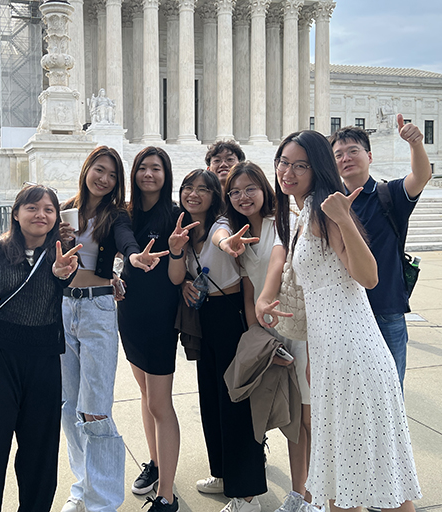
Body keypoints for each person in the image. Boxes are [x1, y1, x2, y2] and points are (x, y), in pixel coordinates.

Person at [261, 130, 421, 512]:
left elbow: (368, 278)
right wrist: (314, 357)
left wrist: (344, 219)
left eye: (300, 164)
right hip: (333, 354)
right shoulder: (304, 213)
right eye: (284, 162)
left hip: (354, 355)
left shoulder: (324, 211)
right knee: (346, 475)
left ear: (318, 168)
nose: (289, 171)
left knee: (377, 474)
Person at [59, 145, 168, 512]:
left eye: (112, 175)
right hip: (65, 307)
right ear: (87, 168)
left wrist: (135, 256)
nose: (104, 179)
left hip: (98, 308)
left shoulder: (116, 214)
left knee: (96, 408)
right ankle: (82, 489)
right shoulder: (65, 210)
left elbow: (126, 239)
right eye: (99, 170)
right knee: (70, 406)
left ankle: (103, 500)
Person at [0, 185, 81, 512]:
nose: (40, 215)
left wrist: (62, 275)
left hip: (44, 357)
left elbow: (62, 282)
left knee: (40, 452)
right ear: (16, 213)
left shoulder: (62, 253)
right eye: (32, 208)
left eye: (48, 209)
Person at [213, 161, 313, 512]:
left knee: (303, 417)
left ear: (264, 190)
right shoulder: (238, 233)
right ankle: (269, 494)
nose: (243, 197)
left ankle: (304, 496)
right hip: (268, 332)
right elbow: (247, 288)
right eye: (235, 191)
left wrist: (265, 305)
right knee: (273, 412)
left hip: (296, 329)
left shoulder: (279, 225)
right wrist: (257, 336)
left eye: (249, 189)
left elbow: (276, 262)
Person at [172, 169, 267, 512]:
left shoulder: (218, 226)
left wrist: (226, 243)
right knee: (211, 400)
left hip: (229, 317)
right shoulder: (185, 232)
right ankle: (223, 474)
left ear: (215, 196)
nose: (193, 194)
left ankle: (248, 495)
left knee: (236, 404)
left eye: (202, 189)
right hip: (205, 319)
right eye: (187, 188)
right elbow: (182, 274)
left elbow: (222, 237)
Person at [329, 116, 431, 387]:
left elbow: (421, 176)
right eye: (338, 154)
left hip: (386, 310)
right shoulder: (331, 204)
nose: (346, 158)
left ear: (369, 156)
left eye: (353, 151)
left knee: (390, 392)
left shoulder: (389, 193)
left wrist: (415, 144)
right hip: (346, 312)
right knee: (352, 393)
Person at [118, 147, 187, 512]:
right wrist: (130, 260)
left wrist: (174, 252)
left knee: (160, 402)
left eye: (156, 168)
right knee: (145, 396)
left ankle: (168, 494)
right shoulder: (124, 213)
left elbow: (177, 277)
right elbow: (123, 243)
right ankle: (156, 463)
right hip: (129, 313)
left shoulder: (176, 215)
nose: (148, 174)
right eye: (142, 167)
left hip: (161, 316)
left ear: (166, 174)